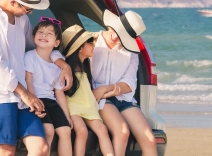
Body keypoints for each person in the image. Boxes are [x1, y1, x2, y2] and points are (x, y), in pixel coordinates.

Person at [0, 0, 72, 156]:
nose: (29, 13)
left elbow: (37, 47)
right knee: (7, 151)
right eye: (28, 8)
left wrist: (63, 63)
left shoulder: (22, 20)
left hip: (21, 97)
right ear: (13, 2)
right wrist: (25, 94)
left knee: (41, 148)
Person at [91, 10, 157, 156]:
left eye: (122, 37)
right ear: (111, 25)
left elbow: (129, 84)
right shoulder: (92, 41)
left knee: (150, 140)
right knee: (122, 132)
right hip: (99, 99)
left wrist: (106, 88)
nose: (115, 38)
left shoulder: (131, 52)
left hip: (123, 98)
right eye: (115, 32)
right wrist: (102, 92)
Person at [61, 25, 116, 156]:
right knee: (82, 131)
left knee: (102, 130)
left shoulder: (86, 65)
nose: (94, 45)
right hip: (72, 106)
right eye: (90, 42)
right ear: (80, 47)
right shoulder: (66, 67)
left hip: (88, 105)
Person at [25, 18, 73, 156]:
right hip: (36, 98)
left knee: (65, 131)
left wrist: (66, 115)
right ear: (33, 37)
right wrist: (34, 103)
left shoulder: (58, 65)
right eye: (40, 32)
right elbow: (28, 82)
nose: (44, 35)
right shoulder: (30, 56)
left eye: (49, 33)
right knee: (49, 130)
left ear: (57, 43)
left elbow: (59, 92)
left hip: (51, 101)